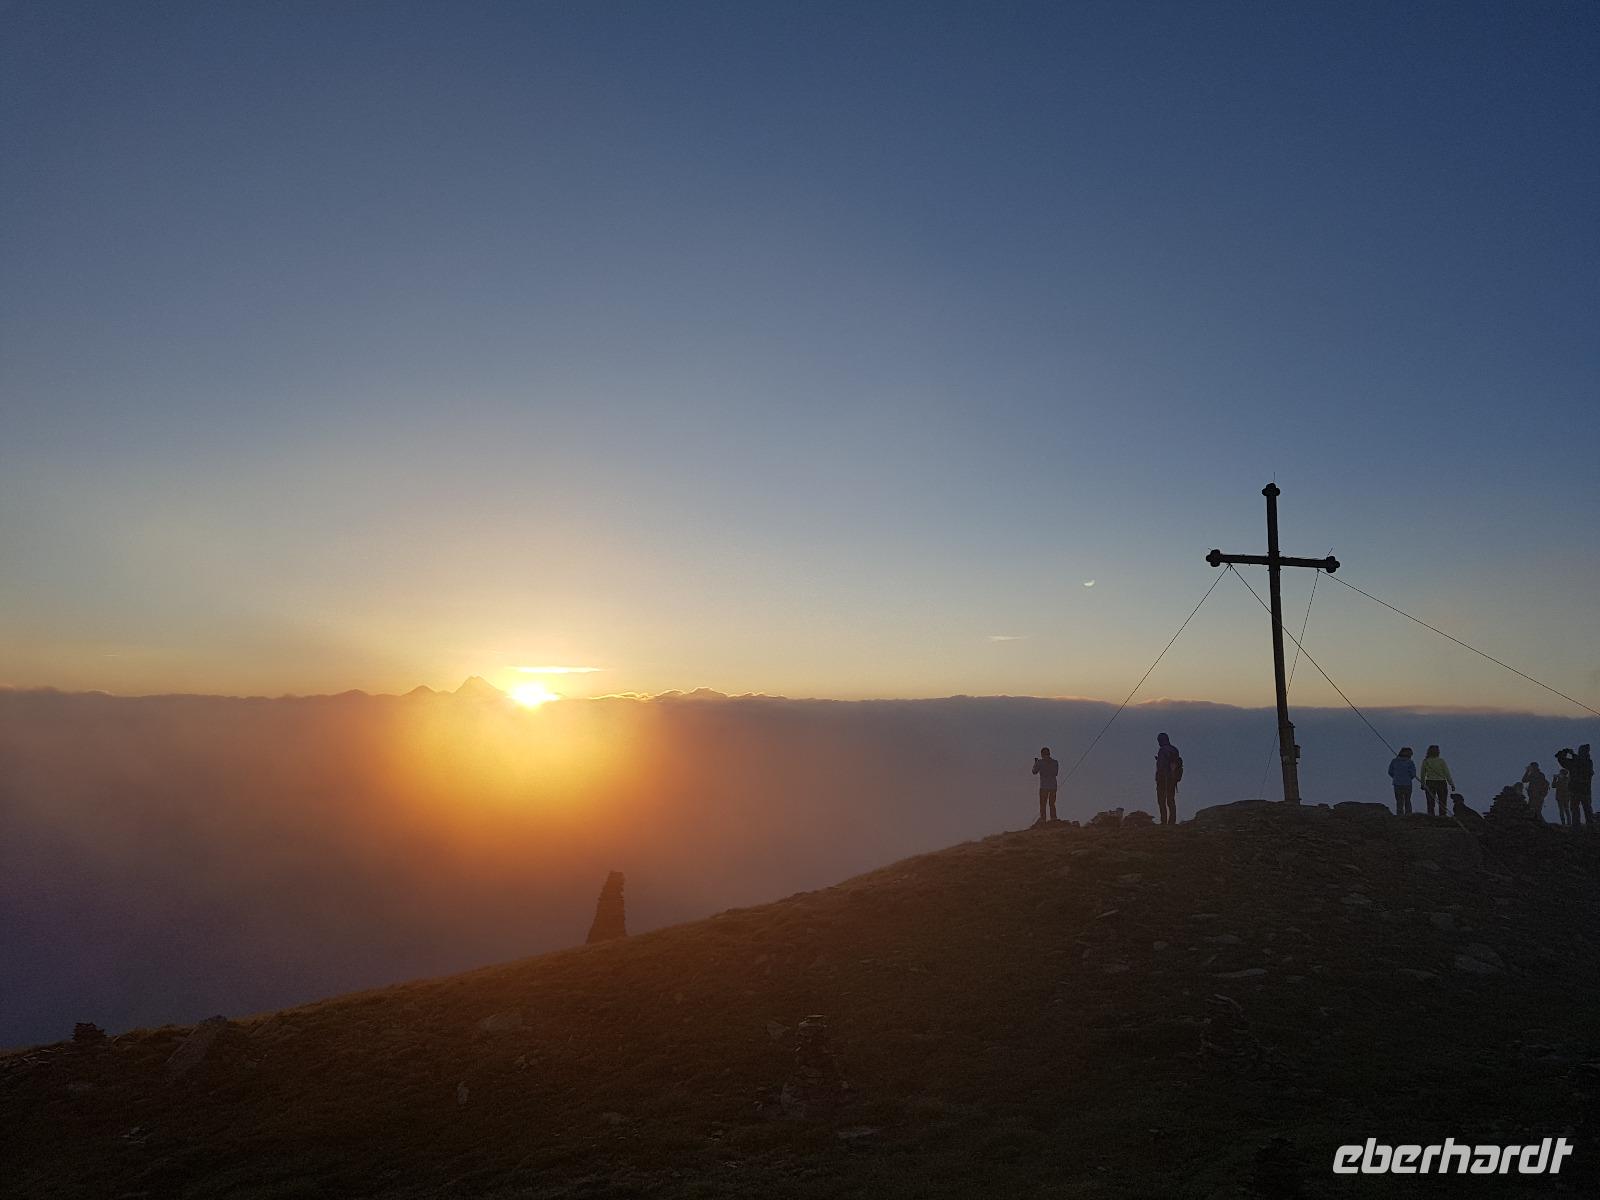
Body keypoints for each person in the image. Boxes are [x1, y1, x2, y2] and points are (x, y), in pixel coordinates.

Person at [1555, 746, 1594, 832]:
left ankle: (1577, 827)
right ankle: (1590, 827)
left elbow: (1562, 760)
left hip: (1576, 790)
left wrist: (1566, 753)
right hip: (1585, 791)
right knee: (1586, 809)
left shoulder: (1578, 762)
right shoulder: (1588, 762)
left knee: (1576, 809)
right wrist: (1572, 754)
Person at [1154, 732, 1182, 826]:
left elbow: (1161, 766)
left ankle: (1164, 822)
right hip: (1172, 780)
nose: (1158, 742)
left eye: (1159, 740)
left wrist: (1158, 778)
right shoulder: (1175, 750)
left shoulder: (1162, 750)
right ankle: (1172, 822)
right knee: (1171, 800)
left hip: (1163, 779)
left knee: (1161, 801)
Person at [1419, 744, 1454, 818]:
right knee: (1442, 801)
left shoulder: (1426, 761)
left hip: (1430, 782)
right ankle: (1442, 817)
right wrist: (1451, 784)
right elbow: (1447, 773)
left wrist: (1422, 784)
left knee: (1430, 802)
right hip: (1441, 782)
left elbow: (1422, 774)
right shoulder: (1441, 761)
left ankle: (1431, 817)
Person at [1031, 747, 1059, 826]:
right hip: (1053, 786)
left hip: (1044, 786)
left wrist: (1035, 763)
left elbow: (1034, 771)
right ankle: (1053, 818)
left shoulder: (1040, 762)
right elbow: (1056, 773)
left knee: (1043, 804)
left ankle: (1043, 819)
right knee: (1052, 803)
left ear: (1042, 754)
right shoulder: (1055, 762)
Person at [1388, 747, 1417, 815]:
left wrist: (1396, 777)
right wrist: (1408, 777)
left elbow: (1390, 772)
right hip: (1407, 784)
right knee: (1407, 801)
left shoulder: (1394, 761)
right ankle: (1408, 815)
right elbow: (1413, 774)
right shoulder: (1410, 762)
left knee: (1399, 801)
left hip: (1397, 784)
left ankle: (1399, 816)